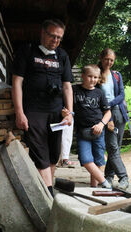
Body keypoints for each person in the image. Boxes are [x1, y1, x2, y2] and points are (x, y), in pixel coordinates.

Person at [12, 19, 73, 197]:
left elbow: (67, 86)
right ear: (42, 33)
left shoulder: (62, 55)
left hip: (56, 112)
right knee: (40, 153)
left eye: (59, 37)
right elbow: (17, 82)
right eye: (52, 35)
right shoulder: (27, 51)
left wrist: (69, 112)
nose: (55, 40)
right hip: (34, 111)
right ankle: (49, 194)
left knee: (54, 154)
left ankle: (45, 191)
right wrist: (19, 112)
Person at [73, 64, 111, 188]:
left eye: (95, 77)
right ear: (83, 76)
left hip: (98, 131)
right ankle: (104, 183)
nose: (92, 80)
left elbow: (108, 112)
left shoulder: (99, 93)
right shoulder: (74, 90)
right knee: (85, 159)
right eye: (90, 76)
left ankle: (93, 187)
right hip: (82, 131)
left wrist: (101, 124)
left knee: (98, 160)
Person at [98, 48, 129, 190]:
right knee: (112, 147)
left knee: (115, 147)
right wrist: (107, 107)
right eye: (107, 59)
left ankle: (109, 177)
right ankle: (124, 177)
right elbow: (96, 95)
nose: (109, 62)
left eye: (112, 60)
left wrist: (109, 104)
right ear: (101, 58)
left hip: (119, 113)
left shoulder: (117, 75)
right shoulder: (96, 74)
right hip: (106, 114)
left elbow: (122, 94)